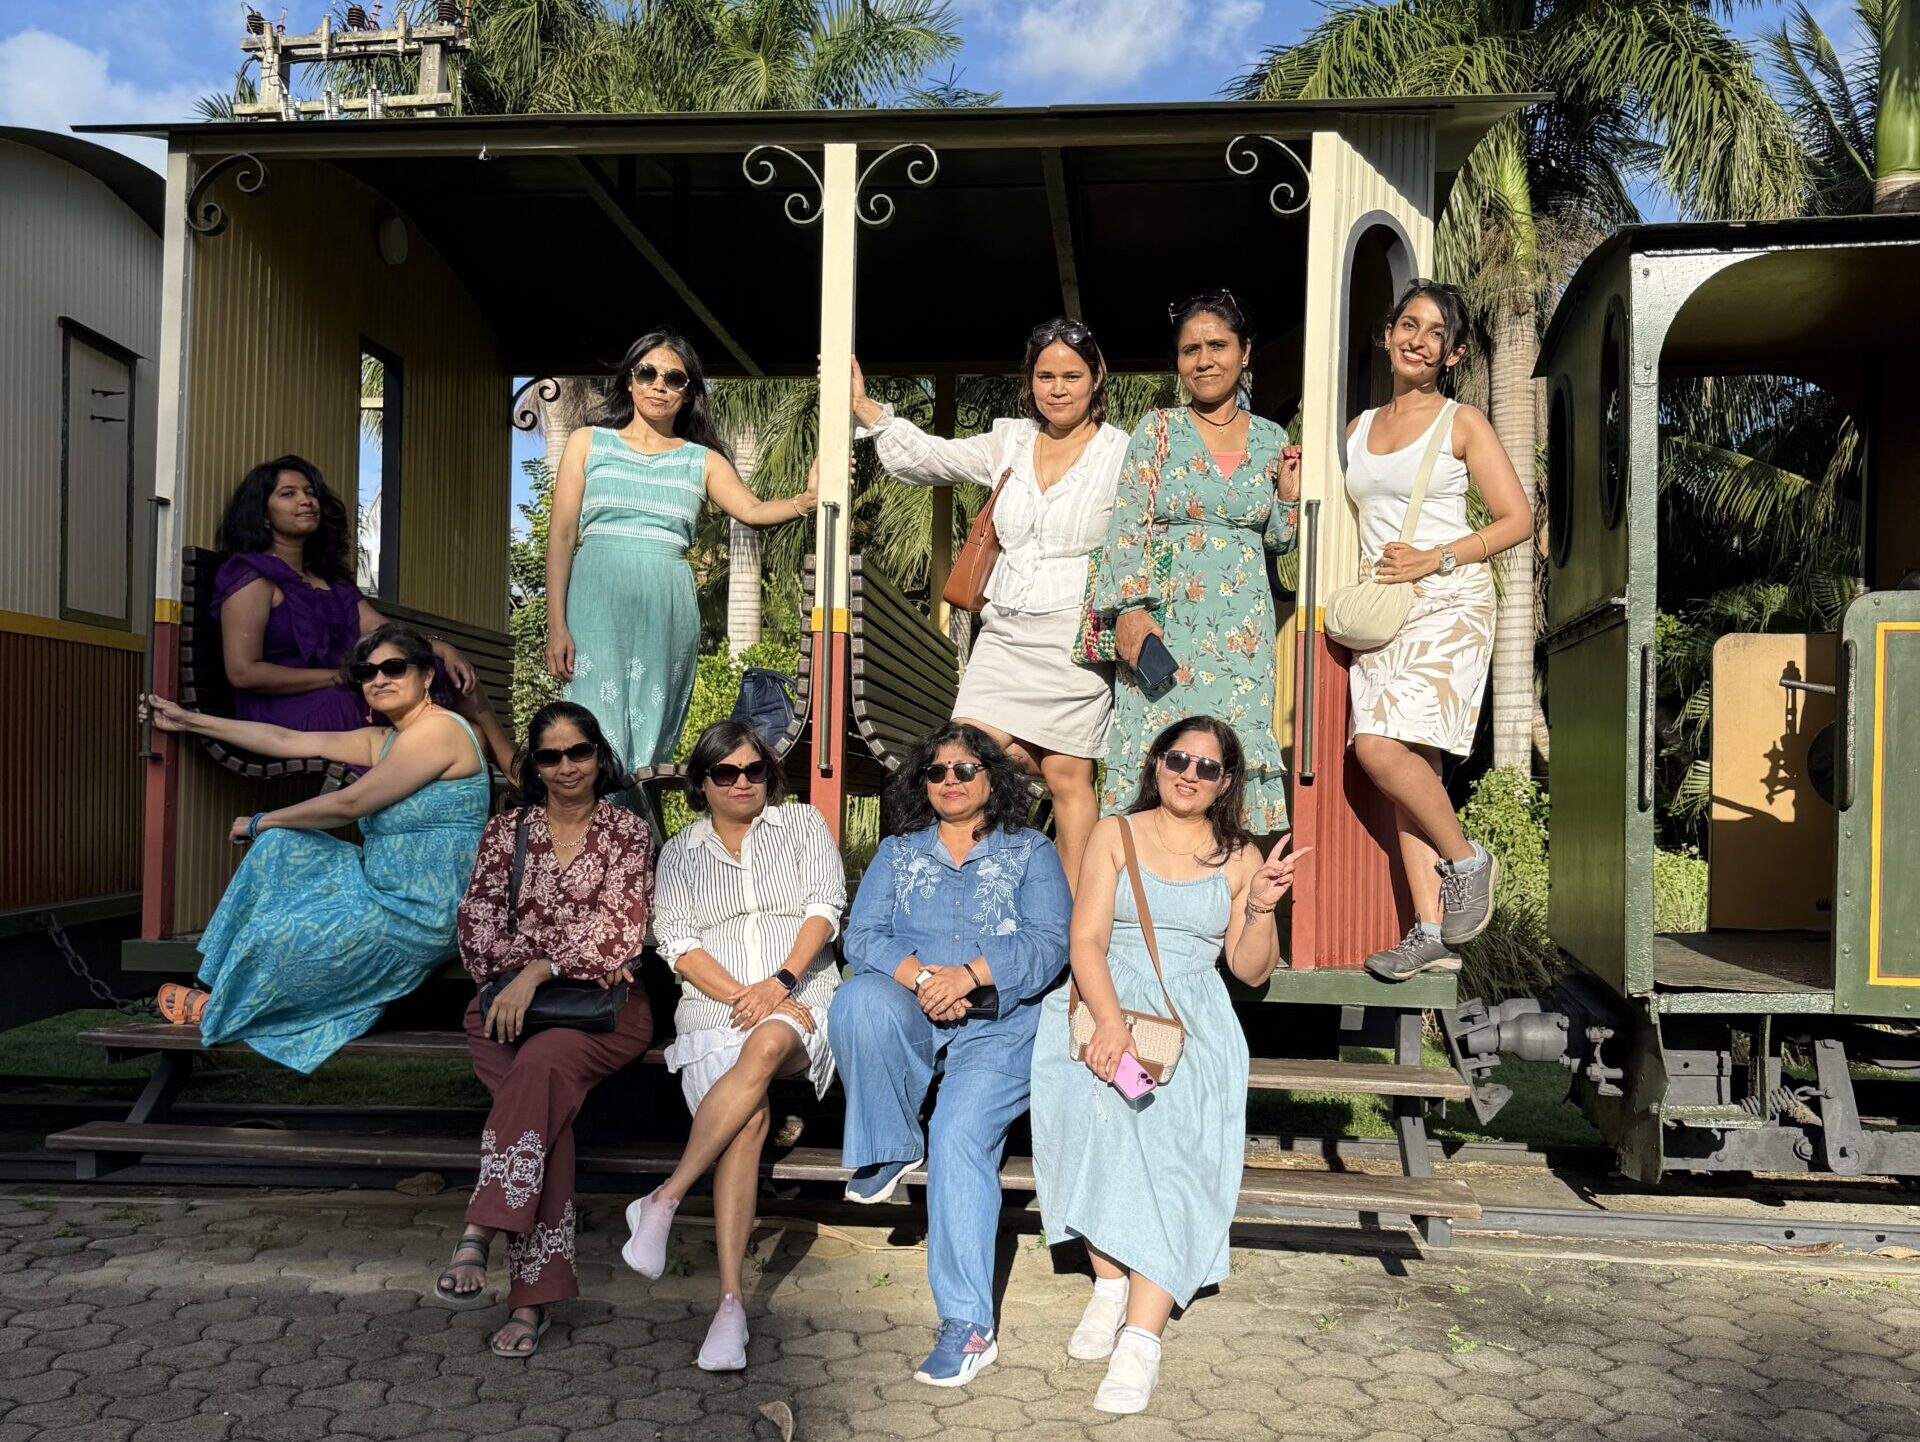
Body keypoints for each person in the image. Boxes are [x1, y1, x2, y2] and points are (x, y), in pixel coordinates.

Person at [1029, 717, 1296, 1415]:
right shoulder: (1114, 834)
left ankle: (1141, 1341)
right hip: (1106, 1001)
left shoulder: (1240, 857)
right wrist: (1111, 1023)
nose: (1190, 773)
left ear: (1227, 782)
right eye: (1179, 758)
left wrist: (1263, 907)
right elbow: (1084, 938)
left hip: (1191, 1023)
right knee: (1095, 1122)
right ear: (1157, 762)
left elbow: (1249, 967)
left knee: (1172, 1148)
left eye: (1208, 767)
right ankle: (1109, 1284)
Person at [848, 320, 1130, 891]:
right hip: (1004, 633)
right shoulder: (1011, 440)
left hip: (1077, 635)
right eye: (1045, 375)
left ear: (1095, 377)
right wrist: (869, 411)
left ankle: (1073, 925)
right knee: (962, 758)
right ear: (1030, 382)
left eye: (1071, 375)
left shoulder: (1122, 452)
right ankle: (952, 893)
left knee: (1067, 772)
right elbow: (932, 459)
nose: (1057, 388)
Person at [830, 723, 1072, 1388]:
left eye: (966, 770)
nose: (952, 782)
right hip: (917, 1010)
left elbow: (1051, 942)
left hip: (1002, 1024)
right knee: (856, 1003)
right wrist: (923, 981)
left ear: (992, 779)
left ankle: (968, 1326)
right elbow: (863, 936)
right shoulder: (899, 853)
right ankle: (889, 1141)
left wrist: (968, 976)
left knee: (960, 1134)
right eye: (938, 773)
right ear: (923, 784)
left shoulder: (1031, 851)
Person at [138, 624, 490, 1070]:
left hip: (422, 909)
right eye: (367, 672)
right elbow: (286, 740)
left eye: (393, 668)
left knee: (278, 929)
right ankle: (222, 986)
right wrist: (188, 720)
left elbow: (353, 801)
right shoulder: (388, 739)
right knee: (281, 848)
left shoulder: (440, 730)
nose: (378, 680)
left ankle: (226, 1006)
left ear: (425, 677)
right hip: (377, 884)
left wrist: (262, 821)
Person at [621, 720, 846, 1372]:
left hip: (799, 1002)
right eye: (727, 772)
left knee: (770, 1041)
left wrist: (776, 985)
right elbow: (679, 944)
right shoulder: (682, 853)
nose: (743, 782)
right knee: (746, 1124)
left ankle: (664, 1199)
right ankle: (729, 1305)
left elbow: (825, 908)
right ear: (702, 783)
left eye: (754, 771)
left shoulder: (803, 827)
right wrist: (739, 996)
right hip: (713, 1009)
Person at [436, 701, 655, 1359]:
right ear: (533, 764)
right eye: (551, 756)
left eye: (579, 752)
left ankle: (481, 1226)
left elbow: (624, 928)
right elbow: (475, 927)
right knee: (542, 1122)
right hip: (506, 1014)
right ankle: (530, 1303)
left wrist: (541, 963)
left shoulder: (628, 832)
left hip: (602, 1017)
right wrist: (539, 966)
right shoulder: (507, 832)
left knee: (538, 1075)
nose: (566, 768)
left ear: (599, 755)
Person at [1339, 281, 1532, 982]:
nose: (1418, 340)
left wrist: (1437, 556)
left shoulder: (1463, 423)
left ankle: (1468, 860)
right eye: (1408, 325)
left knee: (1377, 750)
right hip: (1385, 608)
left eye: (1434, 333)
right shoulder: (1356, 429)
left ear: (1450, 354)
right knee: (1409, 771)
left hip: (1449, 601)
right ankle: (1429, 930)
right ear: (1389, 334)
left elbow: (1517, 519)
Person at [545, 331, 818, 785]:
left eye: (674, 378)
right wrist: (557, 624)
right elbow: (561, 535)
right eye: (647, 373)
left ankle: (636, 840)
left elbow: (750, 510)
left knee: (651, 739)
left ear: (688, 393)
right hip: (593, 602)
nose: (659, 385)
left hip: (666, 606)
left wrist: (806, 500)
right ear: (629, 381)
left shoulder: (702, 460)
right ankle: (593, 838)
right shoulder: (586, 442)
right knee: (590, 730)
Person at [1094, 291, 1302, 836]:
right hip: (1163, 625)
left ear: (1245, 352)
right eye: (1190, 350)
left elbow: (1277, 543)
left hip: (1242, 633)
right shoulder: (1157, 429)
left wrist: (1286, 498)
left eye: (1217, 345)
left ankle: (1230, 900)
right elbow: (1127, 522)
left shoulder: (1271, 440)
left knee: (1228, 753)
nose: (1204, 360)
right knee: (1160, 749)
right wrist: (1130, 609)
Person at [209, 454, 513, 771]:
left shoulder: (329, 582)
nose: (306, 500)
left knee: (438, 669)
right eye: (289, 494)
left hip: (338, 693)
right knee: (406, 712)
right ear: (264, 514)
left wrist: (441, 646)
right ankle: (477, 757)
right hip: (281, 712)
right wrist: (333, 677)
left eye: (310, 492)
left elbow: (384, 633)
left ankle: (510, 762)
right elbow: (243, 672)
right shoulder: (252, 576)